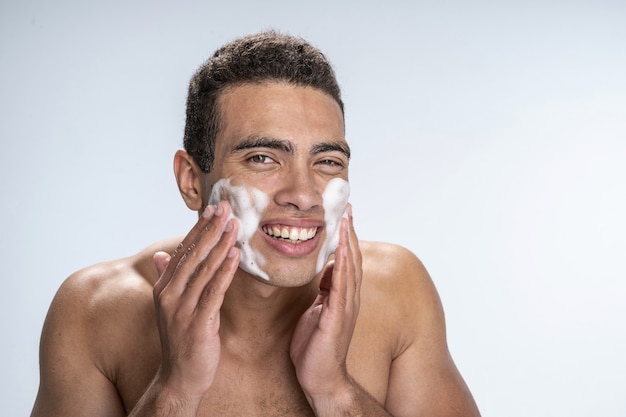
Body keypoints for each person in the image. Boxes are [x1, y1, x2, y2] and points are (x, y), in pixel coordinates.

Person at [31, 31, 481, 417]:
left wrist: (335, 391)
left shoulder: (397, 293)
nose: (304, 195)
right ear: (192, 181)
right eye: (263, 158)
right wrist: (175, 390)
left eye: (326, 161)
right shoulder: (94, 311)